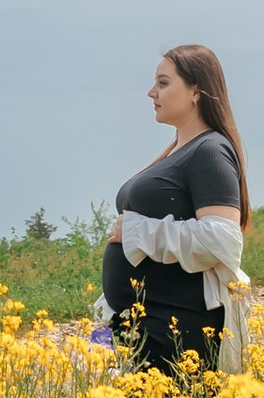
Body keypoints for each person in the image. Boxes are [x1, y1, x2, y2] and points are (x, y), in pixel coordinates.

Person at [96, 43, 253, 375]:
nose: (152, 92)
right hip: (138, 325)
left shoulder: (210, 151)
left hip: (174, 332)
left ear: (196, 91)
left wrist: (136, 231)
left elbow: (222, 240)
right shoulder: (175, 151)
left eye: (164, 83)